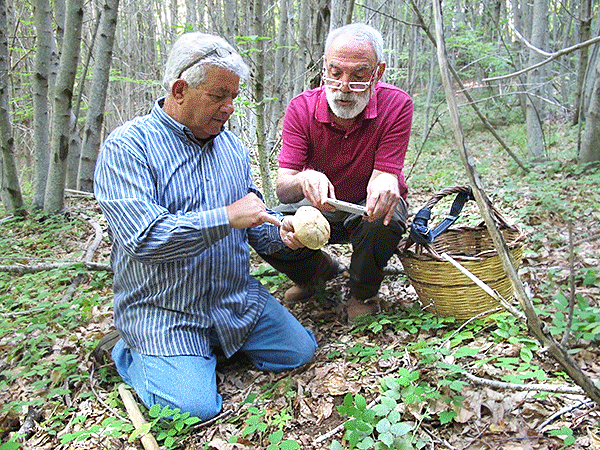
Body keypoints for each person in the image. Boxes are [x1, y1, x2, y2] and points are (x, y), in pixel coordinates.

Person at [93, 32, 317, 421]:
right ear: (180, 89)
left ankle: (202, 354)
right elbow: (145, 238)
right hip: (165, 310)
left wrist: (282, 232)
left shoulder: (230, 148)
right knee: (193, 409)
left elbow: (253, 221)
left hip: (234, 300)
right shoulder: (127, 147)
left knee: (299, 352)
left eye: (234, 96)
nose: (230, 107)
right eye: (218, 96)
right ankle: (129, 350)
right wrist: (225, 216)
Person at [259, 23, 413, 322]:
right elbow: (283, 188)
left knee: (385, 218)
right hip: (319, 208)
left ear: (377, 73)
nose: (343, 86)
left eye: (358, 76)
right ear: (324, 68)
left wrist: (386, 183)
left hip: (365, 208)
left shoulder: (396, 104)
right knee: (262, 227)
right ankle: (315, 272)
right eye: (335, 72)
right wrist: (304, 179)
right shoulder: (301, 108)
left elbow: (385, 174)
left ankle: (362, 292)